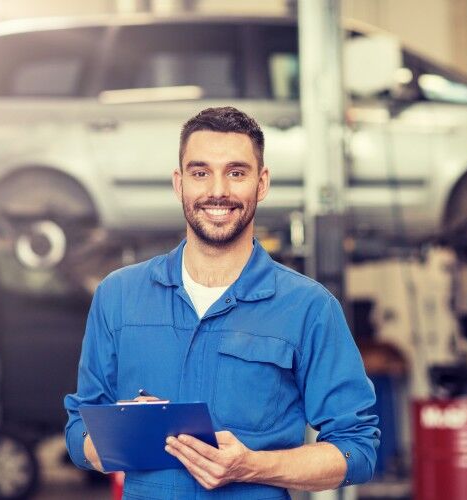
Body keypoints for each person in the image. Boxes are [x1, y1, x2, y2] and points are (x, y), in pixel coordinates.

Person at [64, 106, 379, 498]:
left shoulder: (309, 308)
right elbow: (79, 430)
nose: (218, 191)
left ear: (261, 183)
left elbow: (357, 449)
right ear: (179, 183)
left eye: (236, 172)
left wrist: (254, 466)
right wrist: (131, 433)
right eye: (200, 173)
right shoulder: (119, 296)